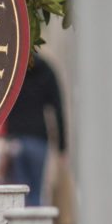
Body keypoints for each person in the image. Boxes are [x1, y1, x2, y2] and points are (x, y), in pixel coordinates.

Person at [5, 50, 67, 207]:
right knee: (36, 192)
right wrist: (61, 147)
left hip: (15, 138)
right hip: (38, 138)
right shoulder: (46, 69)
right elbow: (58, 109)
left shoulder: (14, 70)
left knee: (18, 192)